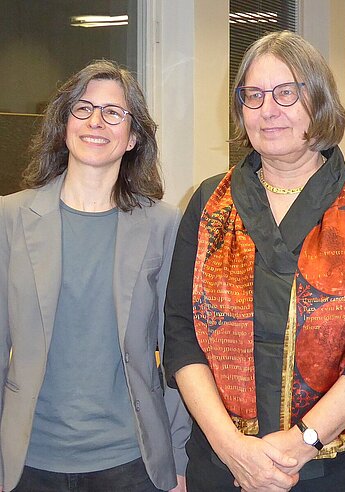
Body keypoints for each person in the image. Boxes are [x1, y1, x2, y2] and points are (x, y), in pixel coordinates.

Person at [164, 31, 345, 492]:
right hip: (225, 466)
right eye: (254, 95)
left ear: (318, 102)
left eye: (287, 93)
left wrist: (304, 442)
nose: (268, 109)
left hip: (341, 467)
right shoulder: (209, 203)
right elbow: (181, 333)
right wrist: (232, 449)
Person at [0, 60, 190, 492]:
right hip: (28, 460)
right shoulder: (9, 217)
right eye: (83, 108)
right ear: (63, 123)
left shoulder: (163, 225)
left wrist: (179, 459)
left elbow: (178, 353)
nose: (96, 122)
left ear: (133, 137)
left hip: (131, 461)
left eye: (113, 112)